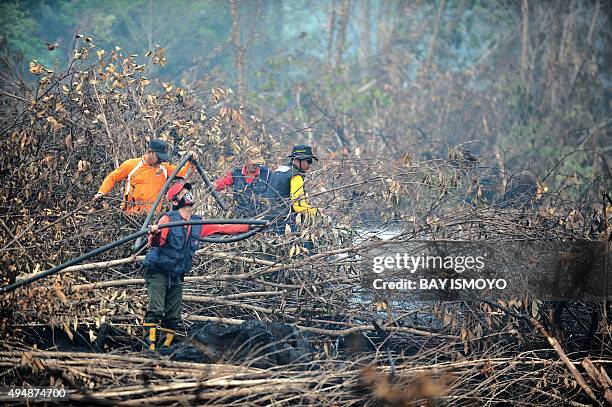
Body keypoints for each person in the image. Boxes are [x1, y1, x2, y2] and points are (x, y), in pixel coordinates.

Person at [142, 181, 252, 350]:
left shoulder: (197, 223)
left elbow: (224, 227)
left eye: (188, 191)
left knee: (173, 316)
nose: (187, 193)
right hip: (159, 271)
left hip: (177, 274)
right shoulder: (167, 219)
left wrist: (250, 226)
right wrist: (154, 233)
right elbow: (156, 243)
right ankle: (148, 349)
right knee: (155, 310)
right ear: (174, 201)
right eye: (183, 192)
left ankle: (165, 350)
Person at [93, 139, 196, 214]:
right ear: (150, 152)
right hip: (130, 216)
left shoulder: (164, 168)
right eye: (159, 157)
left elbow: (183, 173)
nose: (161, 160)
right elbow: (112, 177)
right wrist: (102, 192)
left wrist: (190, 162)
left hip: (152, 219)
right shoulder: (131, 164)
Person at [265, 145, 318, 234]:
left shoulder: (278, 171)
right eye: (309, 161)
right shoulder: (296, 176)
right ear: (299, 160)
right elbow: (298, 206)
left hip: (269, 221)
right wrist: (316, 212)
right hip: (287, 224)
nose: (309, 165)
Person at [214, 146, 270, 218]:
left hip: (261, 216)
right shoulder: (235, 173)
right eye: (253, 163)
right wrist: (212, 185)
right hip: (240, 216)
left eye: (257, 163)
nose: (255, 165)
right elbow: (219, 185)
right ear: (245, 160)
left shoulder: (267, 173)